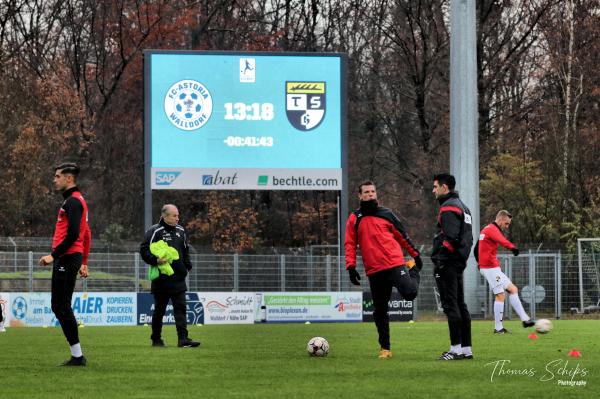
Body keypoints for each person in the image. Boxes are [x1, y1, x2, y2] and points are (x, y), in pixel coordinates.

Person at [345, 181, 423, 359]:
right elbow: (350, 243)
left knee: (410, 293)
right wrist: (350, 266)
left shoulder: (387, 214)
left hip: (395, 263)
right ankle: (385, 349)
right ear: (360, 195)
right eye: (366, 192)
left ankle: (412, 269)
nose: (370, 194)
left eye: (373, 191)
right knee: (380, 310)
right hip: (374, 270)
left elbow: (402, 235)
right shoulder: (354, 218)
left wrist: (415, 255)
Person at [39, 163, 91, 366]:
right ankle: (77, 355)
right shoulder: (75, 201)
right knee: (58, 305)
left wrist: (54, 255)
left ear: (69, 179)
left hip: (67, 257)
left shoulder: (74, 202)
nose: (55, 179)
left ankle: (78, 356)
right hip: (70, 257)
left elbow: (75, 235)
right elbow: (86, 234)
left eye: (58, 176)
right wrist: (84, 261)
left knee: (61, 305)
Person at [140, 204, 200, 348]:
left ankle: (183, 339)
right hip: (161, 279)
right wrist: (155, 260)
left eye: (178, 215)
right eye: (174, 216)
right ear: (165, 216)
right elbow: (143, 249)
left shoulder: (181, 230)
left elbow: (185, 250)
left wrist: (188, 265)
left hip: (178, 279)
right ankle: (156, 339)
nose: (177, 218)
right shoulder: (155, 231)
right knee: (160, 311)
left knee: (181, 308)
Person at [431, 173, 473, 360]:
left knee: (450, 304)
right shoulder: (464, 208)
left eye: (435, 187)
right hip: (459, 261)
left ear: (444, 188)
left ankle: (455, 349)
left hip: (448, 262)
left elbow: (451, 237)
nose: (433, 190)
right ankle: (466, 350)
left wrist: (441, 258)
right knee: (460, 304)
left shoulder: (448, 208)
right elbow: (466, 238)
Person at [475, 210, 535, 333]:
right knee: (500, 295)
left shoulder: (487, 229)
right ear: (501, 219)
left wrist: (479, 263)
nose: (507, 226)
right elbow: (501, 240)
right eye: (506, 224)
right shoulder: (492, 229)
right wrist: (512, 248)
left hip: (491, 268)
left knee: (513, 289)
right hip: (490, 268)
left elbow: (476, 248)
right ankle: (498, 328)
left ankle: (525, 320)